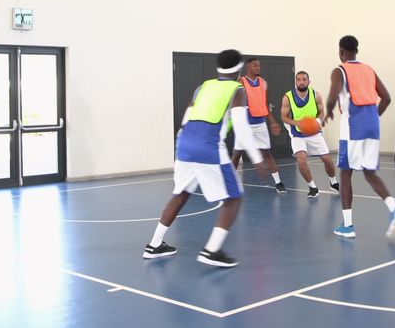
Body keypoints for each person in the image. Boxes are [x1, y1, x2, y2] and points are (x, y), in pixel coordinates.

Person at [142, 49, 264, 268]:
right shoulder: (237, 89)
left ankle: (154, 245)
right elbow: (242, 129)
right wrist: (257, 158)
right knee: (233, 198)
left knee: (180, 193)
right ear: (238, 70)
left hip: (184, 145)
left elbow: (186, 118)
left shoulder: (203, 86)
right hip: (208, 148)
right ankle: (212, 250)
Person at [323, 35, 395, 239]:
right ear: (356, 51)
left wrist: (328, 110)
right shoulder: (369, 69)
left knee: (345, 173)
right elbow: (386, 98)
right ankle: (393, 208)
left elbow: (333, 96)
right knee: (369, 173)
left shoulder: (339, 70)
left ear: (341, 51)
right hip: (372, 126)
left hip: (352, 127)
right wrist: (373, 118)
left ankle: (348, 226)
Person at [280, 71, 339, 199]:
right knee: (301, 161)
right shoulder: (288, 97)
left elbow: (321, 111)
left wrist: (318, 121)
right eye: (299, 80)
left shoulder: (315, 95)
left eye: (304, 79)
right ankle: (312, 187)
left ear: (308, 81)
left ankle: (333, 183)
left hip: (314, 133)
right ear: (295, 82)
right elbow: (283, 117)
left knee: (327, 160)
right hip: (297, 134)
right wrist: (297, 123)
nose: (301, 82)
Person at [230, 58, 285, 192]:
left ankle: (278, 182)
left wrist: (272, 121)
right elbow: (235, 104)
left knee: (266, 153)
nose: (258, 68)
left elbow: (265, 104)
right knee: (237, 154)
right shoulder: (240, 82)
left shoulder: (263, 82)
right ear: (248, 67)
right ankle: (229, 182)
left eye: (259, 65)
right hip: (245, 125)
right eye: (255, 66)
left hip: (260, 124)